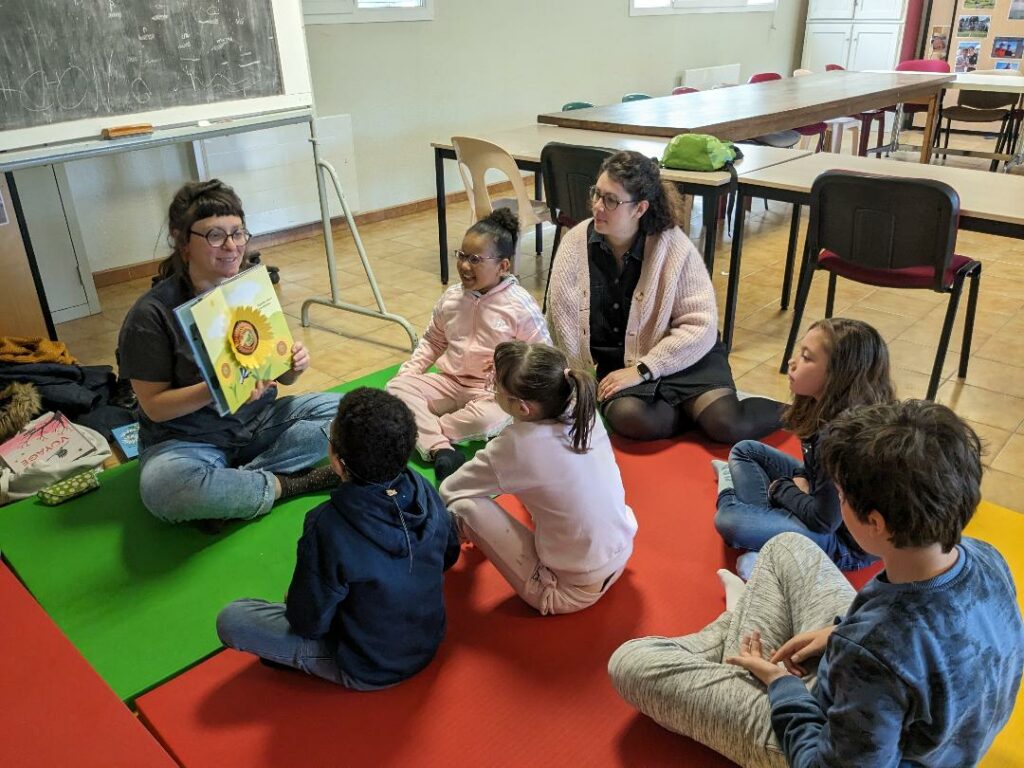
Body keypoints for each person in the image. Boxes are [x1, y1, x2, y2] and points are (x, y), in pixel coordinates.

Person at [608, 400, 1024, 768]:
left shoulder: (875, 651)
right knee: (786, 545)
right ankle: (743, 637)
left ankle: (739, 643)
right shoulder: (985, 555)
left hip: (815, 740)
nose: (836, 505)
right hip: (884, 702)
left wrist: (781, 685)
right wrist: (840, 632)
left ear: (875, 522)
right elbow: (926, 654)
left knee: (632, 663)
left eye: (840, 496)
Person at [117, 179, 340, 525]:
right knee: (165, 489)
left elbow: (279, 371)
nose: (232, 246)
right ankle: (287, 483)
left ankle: (238, 487)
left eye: (238, 233)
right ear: (183, 242)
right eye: (215, 236)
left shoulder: (250, 286)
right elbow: (155, 407)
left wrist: (294, 364)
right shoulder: (150, 316)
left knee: (347, 412)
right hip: (186, 441)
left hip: (258, 425)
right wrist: (214, 390)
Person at [216, 387, 461, 689]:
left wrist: (297, 600)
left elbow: (307, 623)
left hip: (370, 667)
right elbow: (449, 555)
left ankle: (312, 664)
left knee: (234, 620)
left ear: (336, 462)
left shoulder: (327, 524)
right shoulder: (423, 487)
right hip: (429, 639)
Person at [545, 150, 781, 444]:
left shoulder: (673, 246)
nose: (597, 206)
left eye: (611, 200)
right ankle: (693, 412)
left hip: (682, 354)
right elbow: (558, 322)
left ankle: (801, 412)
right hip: (620, 366)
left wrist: (645, 370)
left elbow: (700, 326)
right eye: (597, 194)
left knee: (727, 425)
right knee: (631, 417)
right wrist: (578, 380)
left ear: (640, 209)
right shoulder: (574, 245)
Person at [441, 341, 637, 615]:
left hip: (566, 592)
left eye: (496, 387)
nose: (493, 390)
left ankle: (428, 555)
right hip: (620, 554)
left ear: (523, 408)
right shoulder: (582, 409)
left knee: (462, 507)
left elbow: (451, 490)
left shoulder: (517, 446)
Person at [713, 318, 894, 581]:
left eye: (807, 358)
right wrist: (801, 483)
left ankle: (731, 491)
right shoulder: (823, 408)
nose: (792, 362)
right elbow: (812, 471)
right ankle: (769, 536)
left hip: (841, 544)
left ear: (838, 376)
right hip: (823, 507)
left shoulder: (841, 437)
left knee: (729, 521)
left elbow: (823, 520)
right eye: (799, 351)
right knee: (745, 450)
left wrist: (780, 489)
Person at [387, 208, 550, 483]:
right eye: (462, 256)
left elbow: (543, 356)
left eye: (475, 259)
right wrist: (409, 375)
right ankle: (441, 449)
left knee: (485, 419)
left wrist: (510, 377)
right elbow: (432, 341)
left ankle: (423, 432)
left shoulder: (519, 304)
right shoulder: (451, 298)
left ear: (503, 266)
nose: (464, 266)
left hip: (492, 393)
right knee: (396, 388)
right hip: (449, 383)